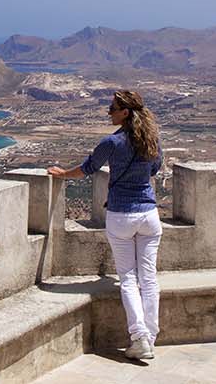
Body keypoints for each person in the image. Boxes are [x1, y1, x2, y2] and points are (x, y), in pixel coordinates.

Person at [48, 90, 163, 360]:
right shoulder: (152, 140)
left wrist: (62, 174)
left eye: (112, 108)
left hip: (122, 215)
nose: (108, 112)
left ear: (125, 112)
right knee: (149, 278)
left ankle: (140, 337)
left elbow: (87, 168)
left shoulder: (111, 143)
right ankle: (152, 336)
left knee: (128, 279)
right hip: (149, 214)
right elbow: (155, 169)